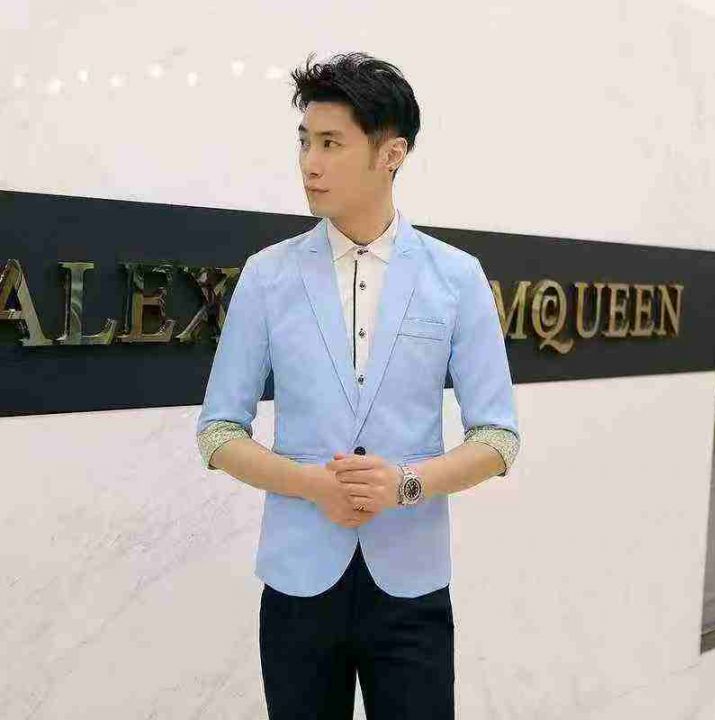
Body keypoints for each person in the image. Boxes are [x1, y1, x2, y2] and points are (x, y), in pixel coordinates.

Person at [196, 50, 521, 720]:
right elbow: (218, 432)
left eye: (331, 143)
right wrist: (312, 484)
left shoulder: (456, 277)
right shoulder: (267, 275)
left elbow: (498, 438)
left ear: (391, 154)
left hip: (412, 587)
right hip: (297, 584)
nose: (309, 164)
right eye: (305, 142)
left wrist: (406, 484)